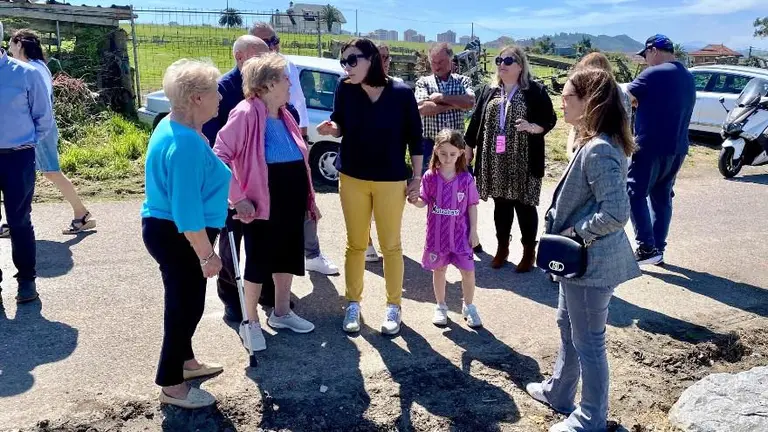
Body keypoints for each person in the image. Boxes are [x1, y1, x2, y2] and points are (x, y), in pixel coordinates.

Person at [525, 67, 641, 432]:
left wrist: (576, 233)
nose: (562, 99)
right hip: (579, 265)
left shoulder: (601, 149)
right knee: (566, 323)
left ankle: (591, 417)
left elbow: (617, 213)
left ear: (590, 102)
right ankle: (560, 391)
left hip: (592, 266)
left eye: (569, 95)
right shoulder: (592, 142)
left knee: (589, 342)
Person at [317, 37, 422, 335]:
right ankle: (353, 303)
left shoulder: (401, 92)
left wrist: (416, 178)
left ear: (371, 59)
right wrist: (331, 128)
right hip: (352, 177)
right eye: (343, 62)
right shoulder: (344, 89)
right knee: (356, 244)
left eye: (352, 60)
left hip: (391, 179)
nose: (346, 67)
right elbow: (340, 124)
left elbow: (415, 138)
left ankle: (394, 306)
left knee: (391, 246)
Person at [140, 59, 230, 409]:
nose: (220, 96)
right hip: (180, 236)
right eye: (214, 91)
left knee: (184, 301)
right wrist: (208, 255)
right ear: (195, 98)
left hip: (167, 230)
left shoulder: (174, 126)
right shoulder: (186, 144)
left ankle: (186, 362)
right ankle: (171, 384)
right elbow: (188, 214)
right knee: (185, 307)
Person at [214, 53, 318, 352]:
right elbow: (218, 155)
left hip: (291, 197)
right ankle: (251, 323)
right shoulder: (246, 112)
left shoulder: (285, 114)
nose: (290, 84)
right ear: (269, 84)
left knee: (287, 255)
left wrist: (310, 200)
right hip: (261, 203)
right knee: (258, 262)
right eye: (286, 78)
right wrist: (238, 197)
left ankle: (282, 314)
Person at [201, 35, 294, 324]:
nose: (266, 58)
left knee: (262, 250)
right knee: (232, 248)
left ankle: (266, 296)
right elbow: (216, 145)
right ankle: (232, 300)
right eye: (260, 55)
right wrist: (236, 193)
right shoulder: (223, 90)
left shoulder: (281, 107)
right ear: (242, 57)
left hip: (266, 192)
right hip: (234, 188)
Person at [249, 22, 338, 276]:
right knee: (273, 231)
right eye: (268, 42)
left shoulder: (284, 68)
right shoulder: (251, 100)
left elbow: (296, 101)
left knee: (306, 207)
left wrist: (301, 137)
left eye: (275, 40)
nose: (274, 45)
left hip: (296, 132)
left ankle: (310, 255)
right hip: (268, 174)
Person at [464, 45, 557, 272]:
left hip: (523, 158)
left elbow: (550, 118)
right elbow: (476, 119)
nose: (501, 65)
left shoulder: (534, 90)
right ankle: (502, 248)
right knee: (501, 204)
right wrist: (469, 146)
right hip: (494, 159)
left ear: (520, 66)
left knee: (524, 205)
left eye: (508, 61)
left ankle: (528, 252)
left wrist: (534, 127)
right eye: (499, 60)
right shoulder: (490, 90)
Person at [1, 30, 95, 238]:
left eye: (11, 44)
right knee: (25, 175)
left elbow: (39, 106)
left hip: (38, 128)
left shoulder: (31, 69)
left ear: (20, 44)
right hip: (36, 127)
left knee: (51, 171)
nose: (8, 49)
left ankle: (82, 214)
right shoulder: (38, 67)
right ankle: (14, 221)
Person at [626, 34, 696, 266]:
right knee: (662, 197)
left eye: (646, 55)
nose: (645, 61)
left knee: (634, 193)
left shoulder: (653, 73)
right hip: (677, 147)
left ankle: (646, 247)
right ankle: (658, 248)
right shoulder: (687, 76)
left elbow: (625, 98)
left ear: (653, 50)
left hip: (650, 146)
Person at [0, 21, 52, 306]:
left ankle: (26, 281)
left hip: (17, 156)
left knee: (19, 220)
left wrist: (25, 142)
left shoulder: (26, 74)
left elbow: (43, 118)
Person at [408, 129, 482, 328]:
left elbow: (472, 205)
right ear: (436, 151)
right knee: (439, 270)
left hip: (461, 236)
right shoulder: (430, 177)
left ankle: (469, 306)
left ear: (460, 153)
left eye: (452, 154)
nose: (447, 158)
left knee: (468, 272)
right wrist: (414, 200)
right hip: (437, 236)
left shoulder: (466, 179)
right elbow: (423, 201)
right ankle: (441, 306)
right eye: (443, 153)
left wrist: (474, 230)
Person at [365, 42, 405, 263]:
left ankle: (388, 244)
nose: (385, 62)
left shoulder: (398, 87)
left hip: (391, 159)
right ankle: (367, 243)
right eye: (379, 57)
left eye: (387, 57)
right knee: (365, 208)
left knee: (389, 209)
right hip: (365, 160)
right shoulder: (355, 86)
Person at [415, 43, 475, 172]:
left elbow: (470, 102)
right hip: (431, 144)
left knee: (460, 183)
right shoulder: (423, 82)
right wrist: (455, 103)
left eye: (441, 62)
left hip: (457, 144)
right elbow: (423, 109)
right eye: (434, 62)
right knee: (430, 185)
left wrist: (441, 97)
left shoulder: (463, 81)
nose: (437, 66)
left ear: (450, 59)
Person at [566, 52, 633, 160]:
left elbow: (580, 125)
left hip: (594, 150)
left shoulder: (593, 94)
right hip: (618, 148)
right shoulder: (622, 93)